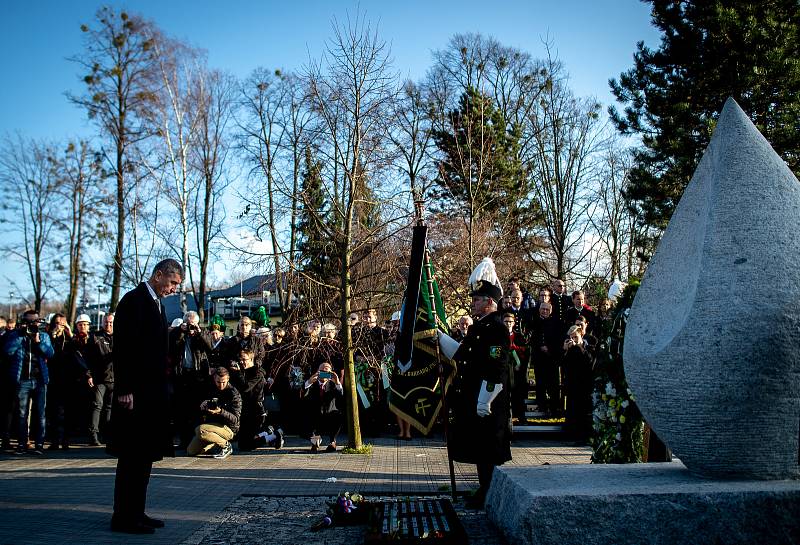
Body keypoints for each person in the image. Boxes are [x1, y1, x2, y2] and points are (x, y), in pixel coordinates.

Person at [109, 258, 182, 534]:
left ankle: (137, 511)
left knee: (144, 457)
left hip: (151, 395)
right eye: (173, 282)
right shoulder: (134, 301)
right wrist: (125, 387)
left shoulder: (157, 304)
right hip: (135, 395)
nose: (174, 289)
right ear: (159, 274)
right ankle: (124, 517)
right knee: (132, 457)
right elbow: (124, 348)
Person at [439, 258, 511, 507]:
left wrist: (485, 398)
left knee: (488, 451)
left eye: (477, 299)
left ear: (489, 302)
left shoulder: (497, 328)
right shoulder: (479, 327)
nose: (473, 303)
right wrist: (439, 338)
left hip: (487, 400)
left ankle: (490, 492)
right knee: (481, 449)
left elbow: (496, 368)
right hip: (474, 396)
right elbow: (463, 356)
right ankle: (485, 489)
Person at [4, 310, 54, 454]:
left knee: (40, 413)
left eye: (34, 321)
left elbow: (50, 353)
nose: (32, 324)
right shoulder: (15, 335)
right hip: (22, 380)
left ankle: (39, 445)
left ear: (39, 321)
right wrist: (21, 336)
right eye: (29, 321)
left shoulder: (43, 335)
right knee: (21, 414)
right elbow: (7, 351)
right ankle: (22, 444)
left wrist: (38, 342)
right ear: (23, 322)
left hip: (40, 380)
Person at [169, 311, 214, 449]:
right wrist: (180, 331)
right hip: (181, 376)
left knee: (197, 411)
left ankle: (197, 441)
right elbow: (170, 346)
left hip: (198, 377)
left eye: (192, 324)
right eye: (188, 324)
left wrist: (199, 333)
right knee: (181, 411)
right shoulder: (178, 334)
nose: (190, 327)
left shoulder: (203, 333)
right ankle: (184, 441)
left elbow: (210, 347)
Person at [187, 367, 241, 459]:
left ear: (228, 379)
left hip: (228, 428)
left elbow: (235, 419)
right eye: (218, 382)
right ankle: (215, 443)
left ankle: (226, 445)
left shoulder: (233, 394)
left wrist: (221, 411)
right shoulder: (210, 389)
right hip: (211, 426)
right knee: (191, 451)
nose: (221, 385)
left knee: (200, 430)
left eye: (223, 382)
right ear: (214, 379)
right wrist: (203, 405)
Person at [561, 324, 594, 443]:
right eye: (571, 337)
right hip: (572, 383)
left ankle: (582, 436)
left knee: (582, 411)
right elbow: (563, 365)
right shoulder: (569, 349)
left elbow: (589, 360)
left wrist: (578, 346)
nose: (573, 340)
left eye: (575, 337)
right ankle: (571, 434)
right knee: (572, 409)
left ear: (581, 335)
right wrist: (565, 351)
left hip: (584, 384)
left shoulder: (588, 346)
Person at [302, 361, 344, 452]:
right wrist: (309, 382)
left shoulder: (333, 384)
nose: (324, 374)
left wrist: (337, 382)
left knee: (338, 415)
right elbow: (303, 394)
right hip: (315, 413)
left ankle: (332, 441)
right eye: (322, 371)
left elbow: (340, 396)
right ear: (318, 371)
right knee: (306, 416)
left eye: (327, 372)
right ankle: (315, 440)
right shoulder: (312, 383)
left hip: (329, 413)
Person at [87, 313, 114, 446]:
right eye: (106, 322)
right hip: (100, 378)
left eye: (110, 322)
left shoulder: (121, 336)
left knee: (110, 408)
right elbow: (89, 358)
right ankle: (94, 434)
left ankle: (108, 435)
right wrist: (89, 375)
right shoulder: (95, 337)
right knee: (97, 406)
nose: (108, 325)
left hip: (115, 378)